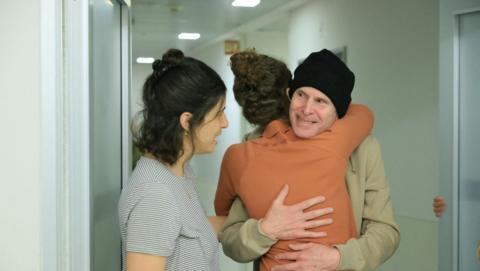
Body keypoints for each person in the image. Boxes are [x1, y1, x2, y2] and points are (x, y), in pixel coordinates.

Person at [217, 50, 400, 271]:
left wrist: (338, 258)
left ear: (339, 111)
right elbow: (230, 239)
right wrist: (264, 230)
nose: (306, 110)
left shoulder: (363, 149)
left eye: (321, 101)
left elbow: (386, 232)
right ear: (289, 95)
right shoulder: (255, 145)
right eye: (301, 95)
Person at [118, 49, 229, 271]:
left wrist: (261, 224)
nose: (224, 123)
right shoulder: (155, 194)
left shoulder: (179, 174)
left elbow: (191, 231)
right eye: (218, 114)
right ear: (187, 121)